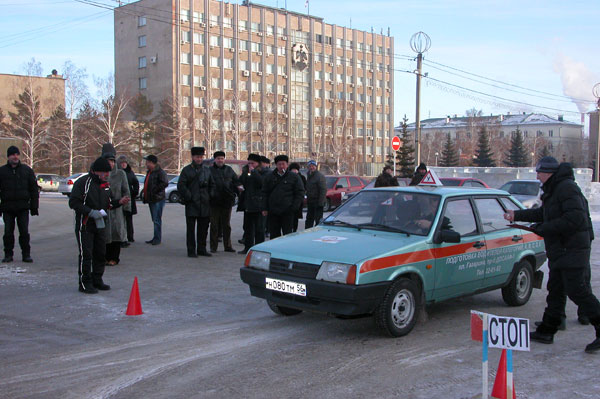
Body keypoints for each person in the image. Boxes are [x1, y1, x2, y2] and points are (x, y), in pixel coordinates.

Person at [504, 156, 600, 353]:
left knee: (577, 291)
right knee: (555, 289)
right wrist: (517, 214)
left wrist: (543, 229)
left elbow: (575, 219)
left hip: (571, 249)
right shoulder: (555, 189)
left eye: (539, 172)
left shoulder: (566, 188)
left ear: (548, 173)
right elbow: (544, 213)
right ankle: (547, 330)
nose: (537, 176)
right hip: (561, 249)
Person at [69, 157, 125, 293]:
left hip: (100, 225)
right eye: (105, 172)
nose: (107, 175)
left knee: (100, 253)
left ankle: (97, 279)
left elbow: (109, 203)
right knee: (86, 254)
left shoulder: (105, 185)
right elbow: (73, 203)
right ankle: (84, 283)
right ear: (96, 171)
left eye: (108, 172)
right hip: (85, 225)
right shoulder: (83, 183)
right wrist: (90, 212)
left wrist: (119, 202)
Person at [0, 146, 38, 263]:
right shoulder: (2, 171)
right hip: (7, 207)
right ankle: (8, 254)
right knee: (8, 233)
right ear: (9, 156)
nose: (15, 157)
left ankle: (26, 254)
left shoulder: (27, 170)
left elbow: (33, 190)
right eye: (13, 154)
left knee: (24, 232)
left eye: (17, 154)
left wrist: (34, 206)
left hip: (23, 207)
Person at [177, 147, 215, 257]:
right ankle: (191, 250)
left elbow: (212, 184)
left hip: (204, 203)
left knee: (203, 229)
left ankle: (202, 249)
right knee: (191, 230)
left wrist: (210, 195)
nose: (199, 159)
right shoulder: (186, 170)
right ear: (193, 157)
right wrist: (189, 196)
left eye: (201, 157)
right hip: (192, 203)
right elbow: (181, 185)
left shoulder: (207, 170)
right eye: (197, 157)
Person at [261, 155, 305, 239]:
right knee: (274, 235)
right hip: (273, 211)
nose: (281, 166)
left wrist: (294, 207)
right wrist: (265, 208)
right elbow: (264, 193)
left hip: (288, 211)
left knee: (287, 235)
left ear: (287, 164)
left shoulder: (294, 177)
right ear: (276, 165)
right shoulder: (270, 177)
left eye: (283, 164)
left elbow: (300, 192)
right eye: (279, 164)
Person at [102, 144, 131, 266]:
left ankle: (114, 258)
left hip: (118, 209)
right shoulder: (100, 173)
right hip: (104, 209)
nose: (111, 163)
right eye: (109, 161)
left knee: (116, 233)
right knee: (104, 234)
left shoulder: (120, 174)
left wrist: (127, 208)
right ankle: (104, 257)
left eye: (113, 161)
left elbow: (126, 191)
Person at [209, 151, 242, 253]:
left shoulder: (229, 170)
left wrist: (238, 190)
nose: (220, 160)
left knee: (226, 225)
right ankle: (213, 247)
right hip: (214, 201)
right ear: (215, 159)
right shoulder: (209, 170)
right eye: (218, 158)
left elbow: (236, 182)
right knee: (214, 225)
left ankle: (227, 246)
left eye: (222, 158)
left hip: (227, 201)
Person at [238, 153, 264, 254]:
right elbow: (240, 181)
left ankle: (259, 248)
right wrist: (239, 185)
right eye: (249, 163)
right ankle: (247, 247)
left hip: (258, 204)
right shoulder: (246, 171)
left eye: (252, 163)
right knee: (248, 228)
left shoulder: (262, 172)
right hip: (248, 204)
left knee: (259, 228)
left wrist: (254, 172)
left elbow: (261, 183)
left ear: (258, 163)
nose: (250, 165)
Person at [141, 154, 168, 245]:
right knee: (154, 219)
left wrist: (155, 191)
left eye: (148, 162)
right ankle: (155, 237)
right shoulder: (150, 172)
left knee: (157, 219)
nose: (146, 164)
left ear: (152, 163)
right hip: (151, 199)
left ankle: (157, 238)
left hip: (157, 199)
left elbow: (165, 183)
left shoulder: (160, 172)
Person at [117, 155, 139, 245]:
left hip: (129, 198)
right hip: (120, 198)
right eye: (122, 163)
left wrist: (134, 192)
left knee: (129, 219)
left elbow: (136, 183)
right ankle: (122, 237)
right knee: (120, 219)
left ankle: (130, 236)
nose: (124, 164)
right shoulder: (117, 173)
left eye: (125, 162)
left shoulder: (130, 172)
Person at [304, 159, 327, 229]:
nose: (311, 167)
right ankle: (307, 233)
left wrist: (321, 203)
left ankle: (317, 233)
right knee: (309, 219)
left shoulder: (319, 176)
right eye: (310, 166)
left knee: (318, 220)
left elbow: (323, 190)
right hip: (310, 201)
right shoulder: (309, 175)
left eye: (313, 166)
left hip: (318, 202)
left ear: (316, 167)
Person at [289, 162, 306, 232]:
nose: (295, 171)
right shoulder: (288, 177)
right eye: (293, 169)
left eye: (296, 169)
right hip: (289, 200)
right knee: (289, 218)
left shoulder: (302, 177)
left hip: (298, 201)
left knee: (296, 217)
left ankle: (294, 230)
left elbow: (304, 188)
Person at [260, 156, 271, 238]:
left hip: (266, 197)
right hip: (264, 197)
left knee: (265, 217)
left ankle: (266, 231)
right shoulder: (263, 172)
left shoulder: (267, 173)